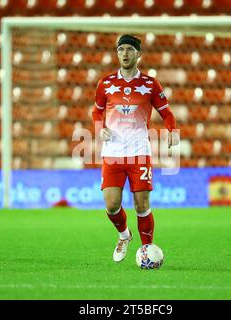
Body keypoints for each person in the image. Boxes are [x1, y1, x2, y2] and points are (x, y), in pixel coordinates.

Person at [92, 34, 179, 262]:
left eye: (130, 49)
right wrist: (99, 127)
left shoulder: (150, 84)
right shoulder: (106, 83)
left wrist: (172, 131)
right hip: (112, 151)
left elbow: (167, 113)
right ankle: (124, 235)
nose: (125, 54)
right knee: (112, 205)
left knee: (142, 203)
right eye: (121, 50)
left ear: (138, 54)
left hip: (139, 150)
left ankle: (147, 250)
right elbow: (96, 111)